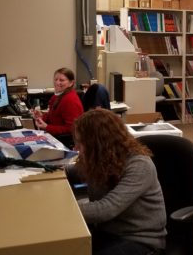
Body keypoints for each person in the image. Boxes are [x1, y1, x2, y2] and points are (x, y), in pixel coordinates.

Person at [66, 109, 167, 255]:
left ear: (98, 143)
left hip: (140, 240)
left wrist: (63, 211)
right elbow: (74, 171)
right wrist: (52, 169)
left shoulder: (139, 164)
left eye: (80, 143)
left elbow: (107, 208)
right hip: (107, 232)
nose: (76, 148)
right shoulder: (102, 158)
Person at [32, 67, 83, 145]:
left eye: (61, 80)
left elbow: (72, 129)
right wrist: (41, 117)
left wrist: (47, 127)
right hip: (55, 137)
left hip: (63, 142)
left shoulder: (70, 100)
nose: (57, 82)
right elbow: (52, 116)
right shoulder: (57, 96)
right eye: (55, 79)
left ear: (71, 83)